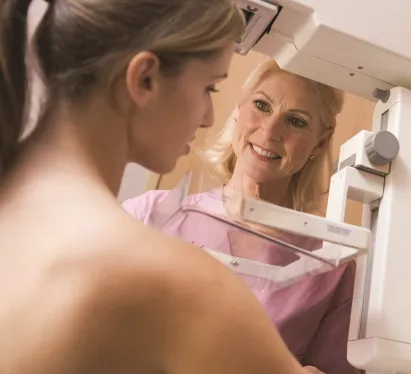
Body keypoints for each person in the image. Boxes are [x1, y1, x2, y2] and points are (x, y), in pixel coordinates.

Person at [0, 0, 411, 373]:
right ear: (145, 79)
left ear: (318, 143)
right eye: (210, 87)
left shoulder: (17, 213)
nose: (204, 118)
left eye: (295, 120)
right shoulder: (171, 276)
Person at [122, 57, 360, 373]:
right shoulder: (149, 215)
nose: (270, 130)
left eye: (296, 121)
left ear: (320, 140)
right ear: (238, 109)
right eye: (261, 106)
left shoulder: (332, 268)